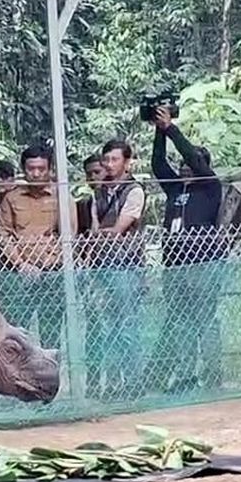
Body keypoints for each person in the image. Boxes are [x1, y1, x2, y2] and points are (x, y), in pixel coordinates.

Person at [149, 105, 225, 393]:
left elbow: (193, 156)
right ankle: (185, 378)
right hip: (176, 266)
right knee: (180, 324)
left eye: (190, 164)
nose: (184, 167)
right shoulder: (176, 189)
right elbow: (158, 165)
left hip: (203, 265)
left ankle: (213, 378)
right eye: (182, 165)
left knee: (205, 321)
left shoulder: (210, 188)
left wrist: (172, 129)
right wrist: (159, 130)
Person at [84, 139, 147, 400]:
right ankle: (111, 384)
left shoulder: (134, 191)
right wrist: (98, 237)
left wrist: (97, 237)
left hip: (126, 266)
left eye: (115, 160)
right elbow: (98, 230)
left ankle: (133, 383)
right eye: (106, 160)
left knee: (127, 327)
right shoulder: (98, 194)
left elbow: (117, 230)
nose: (110, 165)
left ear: (127, 162)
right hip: (102, 267)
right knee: (108, 328)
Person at [0, 145, 65, 275]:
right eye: (31, 169)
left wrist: (60, 259)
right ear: (23, 170)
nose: (36, 174)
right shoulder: (11, 198)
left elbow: (70, 233)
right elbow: (4, 235)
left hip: (56, 266)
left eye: (41, 169)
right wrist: (19, 264)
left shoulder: (61, 197)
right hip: (22, 269)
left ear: (50, 169)